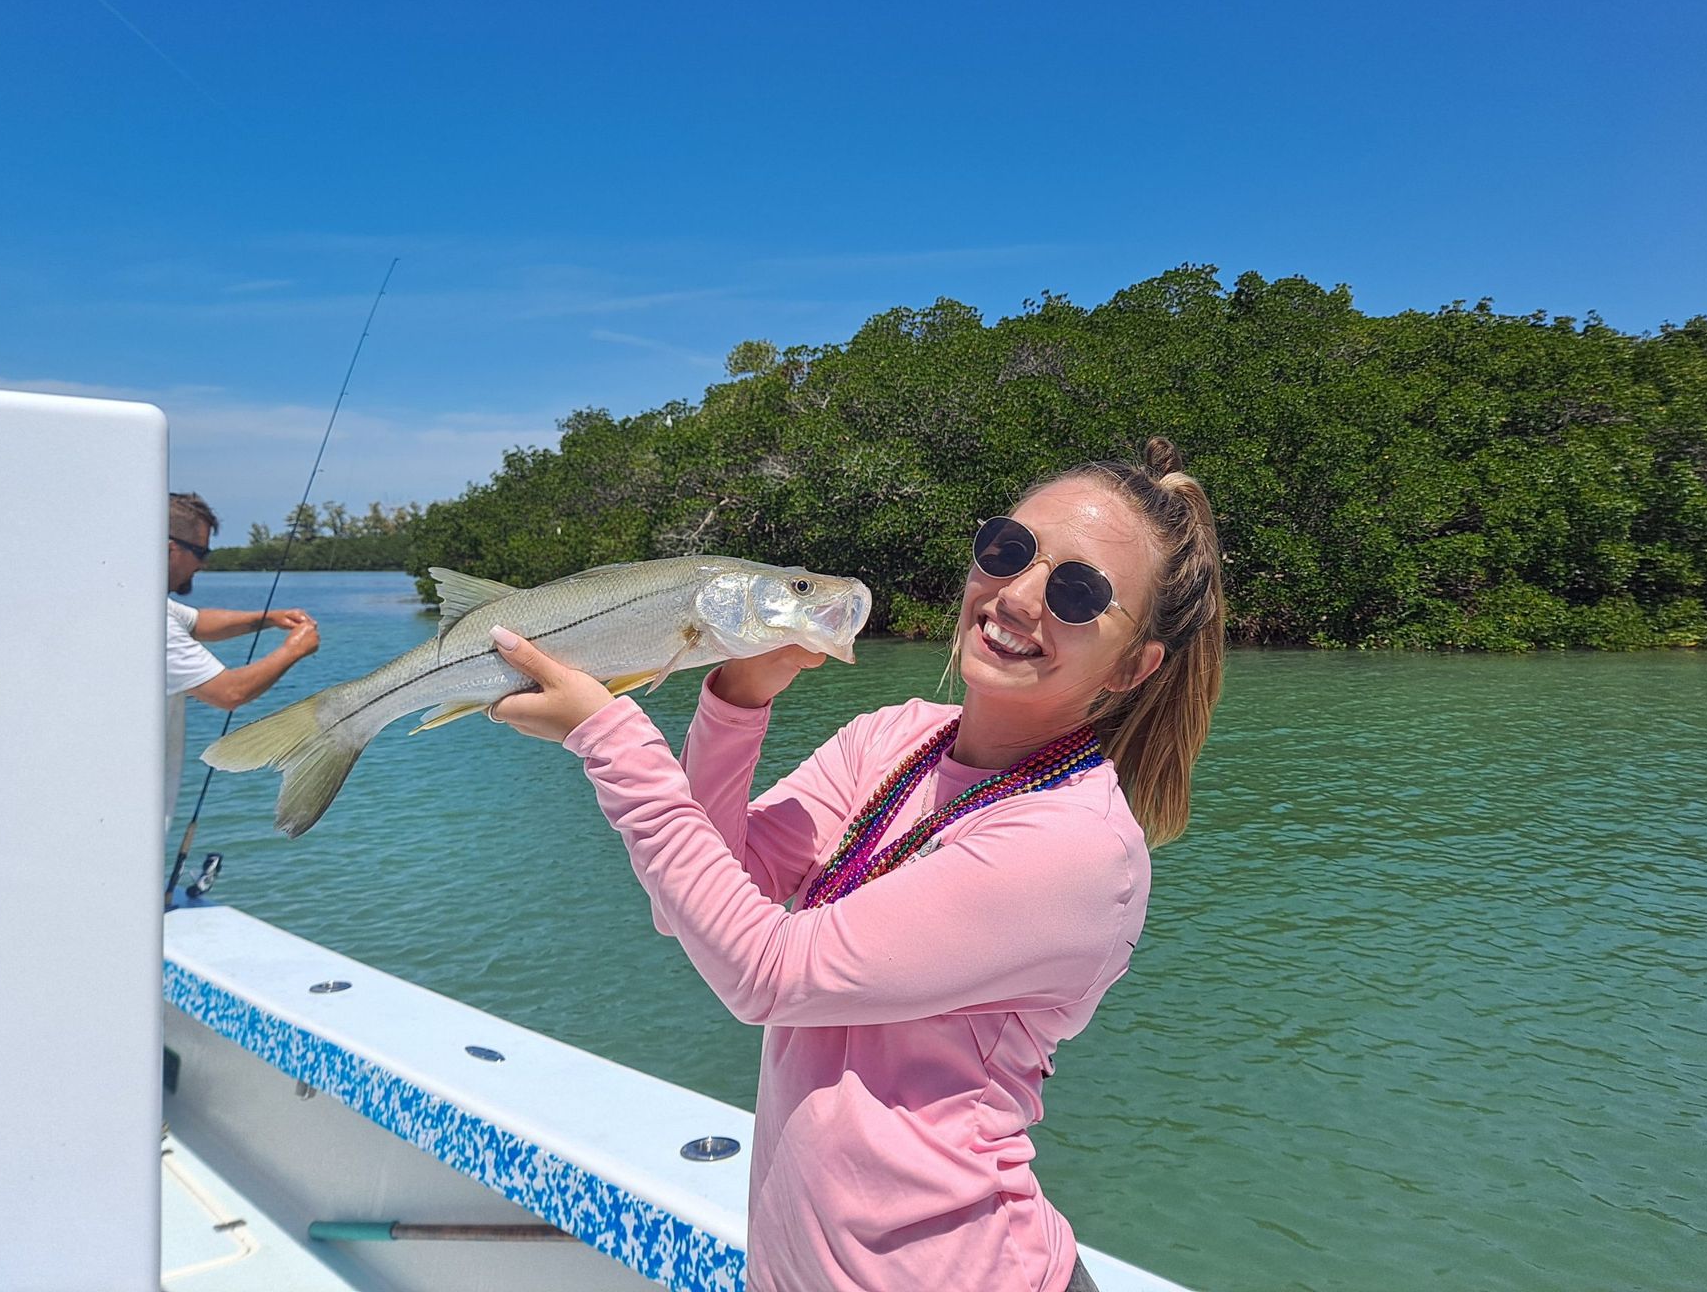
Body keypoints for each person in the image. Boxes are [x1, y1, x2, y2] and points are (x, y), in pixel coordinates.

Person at [484, 438, 1225, 1292]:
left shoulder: (1074, 845)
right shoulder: (895, 735)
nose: (1017, 596)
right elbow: (700, 896)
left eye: (1077, 591)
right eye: (1007, 550)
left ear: (1135, 667)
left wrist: (606, 733)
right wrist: (733, 701)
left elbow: (763, 971)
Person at [165, 492, 320, 829]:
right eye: (200, 553)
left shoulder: (143, 602)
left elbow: (197, 622)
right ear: (169, 548)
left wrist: (270, 618)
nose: (203, 565)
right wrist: (294, 649)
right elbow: (229, 693)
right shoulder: (150, 621)